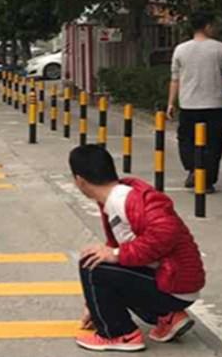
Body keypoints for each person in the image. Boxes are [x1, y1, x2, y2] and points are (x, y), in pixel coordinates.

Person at [69, 145, 204, 352]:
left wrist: (116, 254)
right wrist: (95, 304)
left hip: (175, 284)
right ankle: (167, 317)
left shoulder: (125, 199)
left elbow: (165, 232)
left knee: (91, 265)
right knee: (101, 260)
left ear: (80, 180)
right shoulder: (114, 199)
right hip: (170, 280)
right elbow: (120, 247)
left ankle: (120, 334)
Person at [167, 12, 222, 193]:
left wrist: (170, 103)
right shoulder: (221, 49)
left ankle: (193, 169)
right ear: (207, 26)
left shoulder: (180, 50)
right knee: (213, 144)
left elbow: (175, 80)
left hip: (188, 105)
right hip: (215, 105)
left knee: (187, 140)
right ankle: (207, 181)